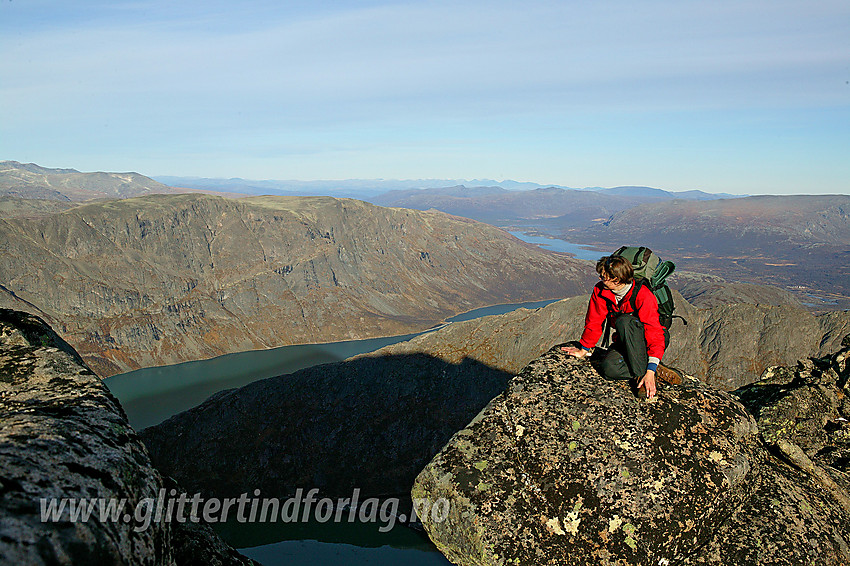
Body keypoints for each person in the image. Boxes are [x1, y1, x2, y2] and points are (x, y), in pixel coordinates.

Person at [561, 255, 680, 399]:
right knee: (608, 369)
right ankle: (653, 369)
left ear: (616, 280)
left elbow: (654, 332)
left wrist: (649, 370)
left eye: (604, 277)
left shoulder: (642, 294)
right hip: (625, 342)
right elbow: (594, 321)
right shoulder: (601, 291)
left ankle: (643, 376)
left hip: (649, 340)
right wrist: (583, 349)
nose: (600, 279)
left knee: (624, 321)